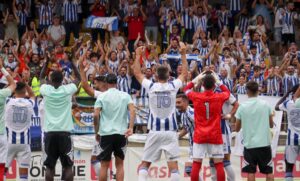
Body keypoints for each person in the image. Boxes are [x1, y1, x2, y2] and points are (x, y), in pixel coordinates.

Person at [133, 42, 188, 181]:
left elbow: (137, 73)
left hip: (154, 131)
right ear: (169, 76)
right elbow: (185, 73)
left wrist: (138, 55)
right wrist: (182, 54)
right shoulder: (173, 86)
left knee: (145, 164)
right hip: (170, 131)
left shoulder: (151, 86)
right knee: (173, 166)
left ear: (156, 76)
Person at [39, 53, 81, 181]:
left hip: (50, 133)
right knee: (68, 166)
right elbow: (78, 78)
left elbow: (40, 77)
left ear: (50, 80)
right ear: (62, 79)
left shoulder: (46, 89)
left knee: (50, 167)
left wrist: (46, 62)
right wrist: (72, 62)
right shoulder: (67, 89)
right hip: (65, 133)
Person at [183, 71, 230, 181]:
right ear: (214, 85)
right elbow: (227, 92)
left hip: (200, 135)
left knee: (196, 163)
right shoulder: (219, 97)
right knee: (219, 164)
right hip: (215, 135)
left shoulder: (196, 96)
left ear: (202, 85)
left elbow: (185, 90)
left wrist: (196, 79)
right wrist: (219, 81)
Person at [93, 73, 135, 181]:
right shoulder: (125, 95)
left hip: (106, 133)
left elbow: (95, 115)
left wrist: (96, 131)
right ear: (117, 83)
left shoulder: (102, 96)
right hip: (121, 133)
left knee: (104, 165)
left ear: (106, 83)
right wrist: (131, 127)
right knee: (120, 165)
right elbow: (132, 110)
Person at [235, 81, 274, 181]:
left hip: (250, 145)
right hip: (264, 144)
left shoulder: (242, 107)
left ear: (247, 91)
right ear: (258, 91)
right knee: (269, 172)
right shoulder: (266, 104)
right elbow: (271, 124)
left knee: (251, 172)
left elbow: (237, 128)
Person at [4, 81, 34, 181]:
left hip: (8, 142)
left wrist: (12, 84)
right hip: (24, 143)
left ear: (14, 91)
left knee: (2, 170)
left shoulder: (7, 101)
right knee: (23, 175)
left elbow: (6, 90)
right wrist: (26, 84)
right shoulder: (29, 103)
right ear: (25, 91)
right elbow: (32, 95)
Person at [275, 85, 300, 181]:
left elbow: (276, 107)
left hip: (292, 140)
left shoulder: (289, 103)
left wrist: (286, 94)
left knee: (289, 168)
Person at [176, 94, 203, 181]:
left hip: (198, 144)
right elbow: (186, 129)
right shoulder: (184, 114)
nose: (177, 105)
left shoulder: (190, 113)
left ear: (186, 102)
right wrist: (176, 137)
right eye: (176, 102)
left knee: (190, 170)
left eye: (179, 102)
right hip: (193, 145)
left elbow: (202, 124)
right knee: (191, 171)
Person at [0, 57, 16, 181]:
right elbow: (13, 84)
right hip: (1, 135)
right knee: (1, 162)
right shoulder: (2, 94)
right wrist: (2, 68)